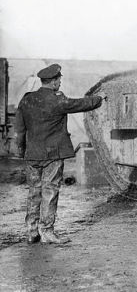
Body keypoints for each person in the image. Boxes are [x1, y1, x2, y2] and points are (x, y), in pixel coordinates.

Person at [15, 64, 104, 244]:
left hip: (32, 155)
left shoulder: (26, 99)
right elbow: (79, 104)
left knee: (34, 192)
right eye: (59, 80)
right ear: (53, 82)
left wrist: (21, 150)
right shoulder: (57, 100)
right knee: (50, 191)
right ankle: (47, 231)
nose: (60, 82)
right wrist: (100, 99)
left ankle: (31, 231)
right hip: (52, 156)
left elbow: (20, 129)